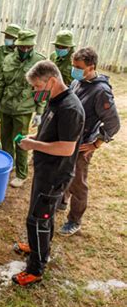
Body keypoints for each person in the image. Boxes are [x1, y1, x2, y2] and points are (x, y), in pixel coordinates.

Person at [12, 60, 85, 286]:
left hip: (56, 175)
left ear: (51, 81)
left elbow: (66, 147)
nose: (35, 91)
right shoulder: (54, 100)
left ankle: (36, 268)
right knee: (42, 215)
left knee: (37, 219)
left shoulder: (70, 109)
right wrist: (33, 137)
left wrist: (33, 146)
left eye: (36, 86)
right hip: (45, 170)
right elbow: (50, 134)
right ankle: (37, 247)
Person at [58, 47, 120, 235]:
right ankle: (62, 200)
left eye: (78, 67)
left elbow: (113, 124)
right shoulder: (79, 81)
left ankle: (74, 220)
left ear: (91, 67)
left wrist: (95, 143)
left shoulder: (101, 91)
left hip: (83, 143)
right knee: (65, 171)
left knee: (78, 182)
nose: (74, 70)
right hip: (69, 138)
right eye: (73, 66)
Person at [0, 29, 46, 188]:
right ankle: (8, 164)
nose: (25, 50)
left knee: (21, 142)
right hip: (6, 107)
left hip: (23, 110)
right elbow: (1, 85)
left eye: (28, 47)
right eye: (22, 47)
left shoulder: (39, 62)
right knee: (5, 140)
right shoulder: (8, 59)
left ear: (32, 46)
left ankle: (21, 173)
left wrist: (39, 112)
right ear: (17, 45)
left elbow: (42, 90)